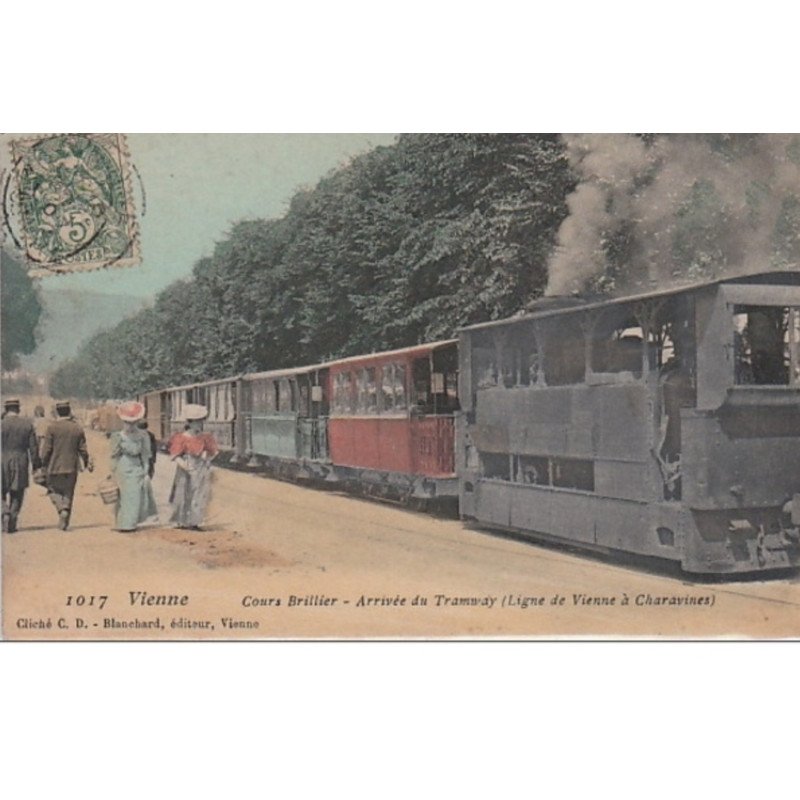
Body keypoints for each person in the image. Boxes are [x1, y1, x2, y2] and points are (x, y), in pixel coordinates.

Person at [40, 400, 93, 531]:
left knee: (52, 490)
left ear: (57, 411)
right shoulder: (77, 428)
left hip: (54, 466)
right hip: (72, 467)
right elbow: (83, 449)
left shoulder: (52, 428)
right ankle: (66, 511)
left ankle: (61, 508)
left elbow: (46, 450)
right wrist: (86, 462)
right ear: (69, 411)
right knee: (69, 492)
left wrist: (42, 464)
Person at [168, 403, 218, 530]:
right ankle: (182, 521)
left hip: (200, 467)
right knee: (183, 493)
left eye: (200, 422)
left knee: (199, 493)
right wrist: (184, 465)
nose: (199, 425)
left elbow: (212, 452)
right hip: (186, 467)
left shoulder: (205, 437)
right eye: (196, 422)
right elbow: (175, 455)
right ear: (189, 423)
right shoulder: (181, 438)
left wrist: (206, 458)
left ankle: (194, 521)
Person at [109, 402, 157, 532]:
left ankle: (130, 523)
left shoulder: (143, 436)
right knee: (123, 496)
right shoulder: (118, 436)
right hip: (122, 467)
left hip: (137, 467)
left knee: (134, 495)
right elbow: (114, 456)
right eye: (127, 422)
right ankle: (122, 523)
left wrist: (146, 471)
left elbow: (146, 455)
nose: (130, 425)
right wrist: (112, 472)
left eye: (133, 422)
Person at [2, 399, 41, 533]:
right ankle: (12, 519)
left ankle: (4, 511)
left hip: (1, 459)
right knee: (17, 493)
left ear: (6, 409)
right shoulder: (27, 425)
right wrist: (36, 465)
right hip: (20, 460)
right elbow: (33, 448)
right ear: (18, 409)